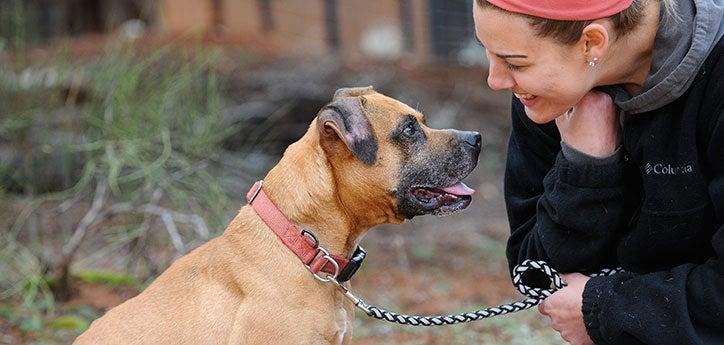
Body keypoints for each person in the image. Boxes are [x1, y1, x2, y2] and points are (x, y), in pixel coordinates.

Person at [472, 0, 723, 344]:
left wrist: (605, 309)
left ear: (591, 42)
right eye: (486, 51)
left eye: (514, 62)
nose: (494, 80)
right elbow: (533, 271)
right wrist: (586, 168)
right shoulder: (551, 94)